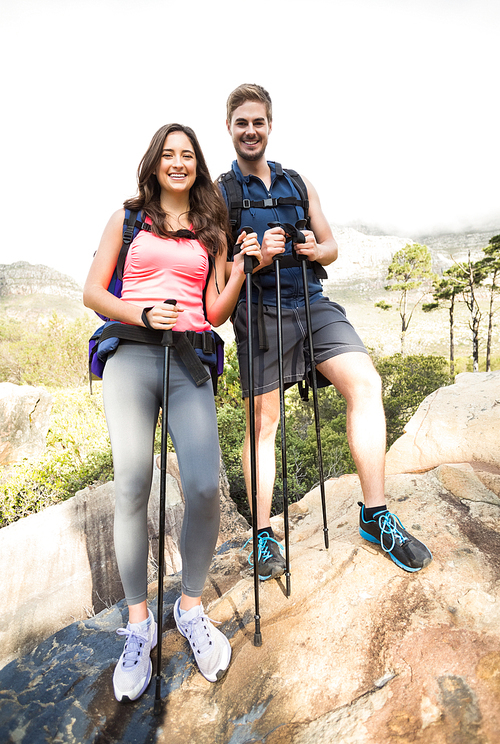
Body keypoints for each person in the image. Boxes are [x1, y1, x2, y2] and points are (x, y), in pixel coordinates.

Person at [219, 83, 433, 580]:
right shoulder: (219, 193)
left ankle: (376, 516)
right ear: (229, 128)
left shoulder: (298, 183)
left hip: (308, 302)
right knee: (263, 423)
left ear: (270, 125)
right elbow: (215, 272)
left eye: (259, 122)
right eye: (241, 123)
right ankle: (261, 536)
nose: (251, 131)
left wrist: (315, 250)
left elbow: (331, 245)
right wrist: (253, 258)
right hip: (258, 308)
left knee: (365, 383)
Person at [83, 123, 261, 702]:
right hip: (131, 357)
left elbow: (211, 311)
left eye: (187, 155)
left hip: (188, 361)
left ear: (197, 165)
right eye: (169, 154)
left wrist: (236, 271)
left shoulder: (211, 231)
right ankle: (138, 625)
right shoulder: (128, 219)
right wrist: (139, 314)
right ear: (155, 163)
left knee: (206, 487)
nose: (178, 163)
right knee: (132, 483)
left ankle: (188, 607)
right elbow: (93, 293)